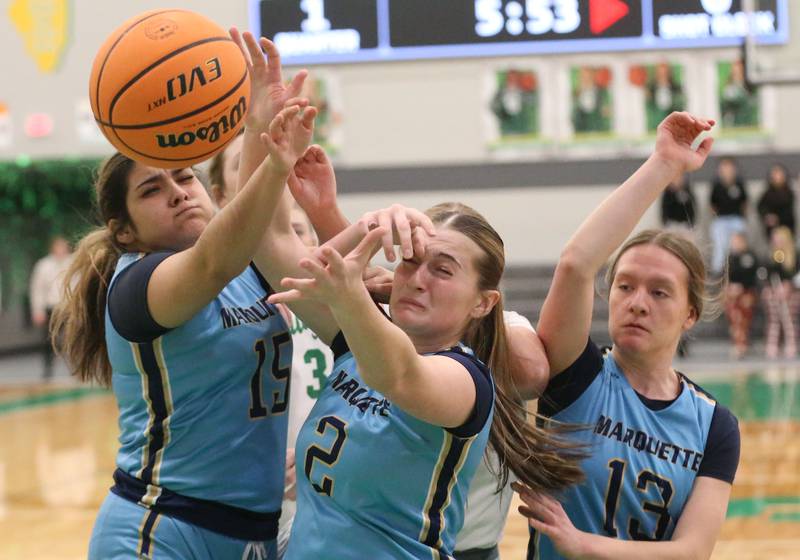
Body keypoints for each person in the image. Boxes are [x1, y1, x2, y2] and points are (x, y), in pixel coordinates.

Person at [233, 115, 584, 556]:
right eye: (410, 261)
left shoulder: (465, 380)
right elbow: (264, 239)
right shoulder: (358, 341)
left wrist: (351, 288)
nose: (417, 279)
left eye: (442, 270)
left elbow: (395, 374)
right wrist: (264, 136)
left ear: (483, 303)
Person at [51, 29, 311, 559]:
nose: (177, 193)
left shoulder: (253, 267)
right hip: (161, 527)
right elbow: (216, 257)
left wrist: (259, 117)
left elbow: (269, 229)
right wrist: (278, 161)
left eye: (184, 178)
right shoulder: (137, 284)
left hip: (254, 531)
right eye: (153, 189)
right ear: (123, 229)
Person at [514, 112, 741, 560]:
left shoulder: (715, 426)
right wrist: (663, 164)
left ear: (690, 315)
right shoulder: (577, 376)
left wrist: (581, 545)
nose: (638, 302)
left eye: (660, 292)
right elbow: (577, 263)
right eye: (626, 286)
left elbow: (692, 552)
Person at [208, 134, 335, 559]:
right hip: (246, 497)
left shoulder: (331, 277)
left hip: (328, 491)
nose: (268, 171)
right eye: (250, 162)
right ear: (222, 195)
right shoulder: (212, 289)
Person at [29, 235, 72, 379]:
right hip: (51, 308)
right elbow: (37, 289)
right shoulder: (43, 265)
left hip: (68, 307)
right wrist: (37, 311)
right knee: (48, 340)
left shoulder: (73, 263)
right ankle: (48, 368)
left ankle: (76, 367)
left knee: (73, 338)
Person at [759, 226, 800, 359]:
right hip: (774, 290)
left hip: (792, 292)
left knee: (789, 319)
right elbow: (765, 275)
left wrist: (789, 285)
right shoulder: (771, 256)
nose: (777, 242)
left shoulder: (796, 256)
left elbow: (796, 276)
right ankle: (772, 345)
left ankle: (792, 344)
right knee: (774, 318)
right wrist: (771, 288)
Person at [709, 156, 748, 275]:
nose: (727, 170)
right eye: (724, 167)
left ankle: (739, 271)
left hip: (736, 219)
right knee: (720, 245)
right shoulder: (716, 186)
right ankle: (717, 273)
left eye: (729, 167)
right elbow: (712, 205)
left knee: (737, 245)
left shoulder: (739, 184)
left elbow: (745, 203)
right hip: (721, 220)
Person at [725, 233, 759, 359]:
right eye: (733, 242)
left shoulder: (749, 256)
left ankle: (741, 344)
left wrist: (741, 287)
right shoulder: (730, 257)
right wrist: (730, 287)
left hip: (747, 291)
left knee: (742, 313)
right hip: (733, 293)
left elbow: (750, 276)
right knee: (734, 312)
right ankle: (739, 342)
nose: (735, 244)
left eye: (737, 241)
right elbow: (726, 275)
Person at [757, 163, 795, 239]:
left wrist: (778, 218)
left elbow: (790, 212)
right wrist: (767, 216)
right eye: (775, 174)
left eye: (780, 174)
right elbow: (760, 207)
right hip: (772, 230)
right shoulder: (767, 193)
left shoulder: (790, 193)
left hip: (787, 227)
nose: (778, 177)